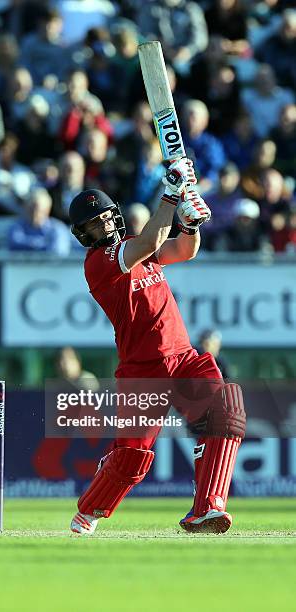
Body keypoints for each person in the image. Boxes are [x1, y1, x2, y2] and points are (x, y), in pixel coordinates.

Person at [68, 159, 246, 536]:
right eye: (92, 224)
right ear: (83, 234)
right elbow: (151, 240)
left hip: (183, 358)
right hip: (142, 370)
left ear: (115, 216)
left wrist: (190, 223)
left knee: (225, 415)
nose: (102, 225)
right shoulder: (99, 264)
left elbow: (184, 249)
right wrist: (170, 193)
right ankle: (89, 510)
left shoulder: (137, 247)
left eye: (104, 217)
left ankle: (207, 509)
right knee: (132, 459)